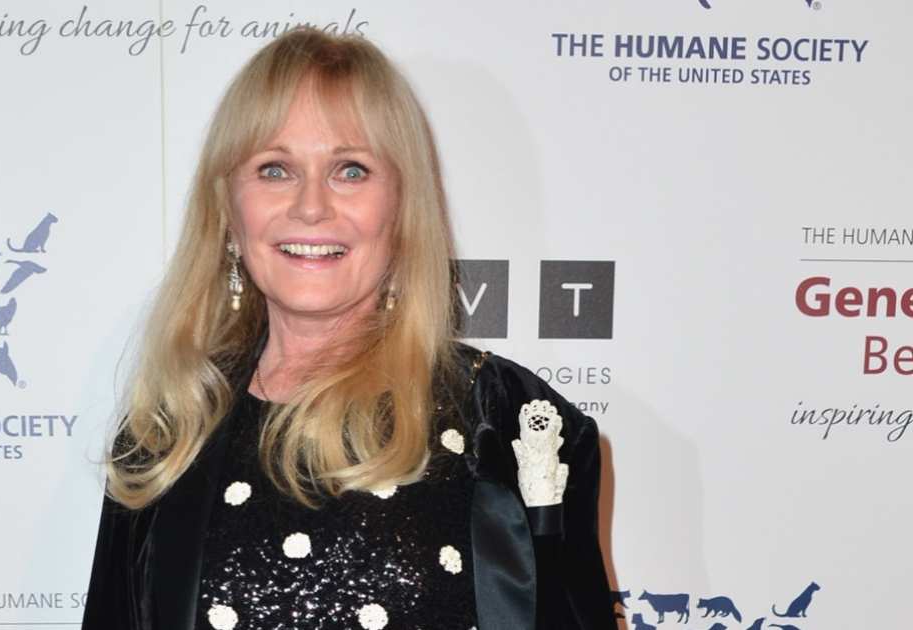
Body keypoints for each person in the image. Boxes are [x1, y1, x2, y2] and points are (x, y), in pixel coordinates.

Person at [81, 27, 617, 630]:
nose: (311, 206)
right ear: (228, 208)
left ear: (404, 207)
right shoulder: (169, 430)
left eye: (351, 170)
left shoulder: (512, 424)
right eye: (275, 169)